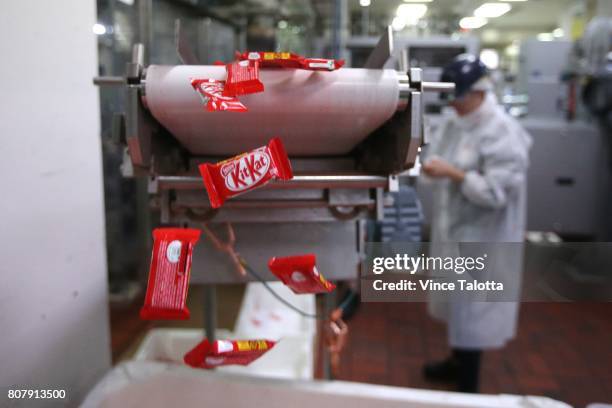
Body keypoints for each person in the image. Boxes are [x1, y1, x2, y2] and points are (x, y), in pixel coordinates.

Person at [419, 54, 532, 393]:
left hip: (485, 234)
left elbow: (496, 193)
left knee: (473, 309)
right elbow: (433, 155)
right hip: (454, 228)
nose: (454, 105)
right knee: (458, 305)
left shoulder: (503, 132)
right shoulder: (457, 121)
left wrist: (455, 174)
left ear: (480, 91)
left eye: (460, 97)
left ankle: (468, 387)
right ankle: (456, 362)